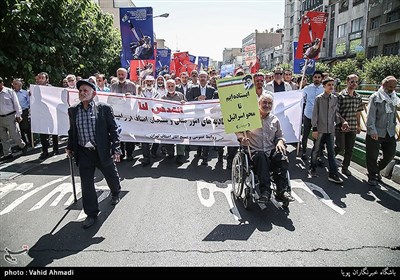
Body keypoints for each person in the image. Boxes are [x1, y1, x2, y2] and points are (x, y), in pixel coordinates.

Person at [66, 80, 122, 229]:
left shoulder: (103, 109)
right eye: (80, 91)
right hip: (84, 152)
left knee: (110, 174)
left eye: (86, 90)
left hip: (101, 150)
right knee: (86, 183)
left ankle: (116, 192)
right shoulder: (73, 110)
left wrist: (116, 148)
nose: (82, 93)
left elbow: (114, 130)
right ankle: (91, 214)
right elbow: (72, 131)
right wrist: (70, 147)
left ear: (94, 94)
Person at [235, 93, 295, 203]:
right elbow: (238, 131)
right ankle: (265, 191)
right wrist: (241, 138)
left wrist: (280, 142)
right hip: (254, 152)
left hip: (270, 150)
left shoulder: (275, 120)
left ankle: (282, 191)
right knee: (261, 156)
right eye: (264, 102)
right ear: (258, 104)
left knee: (282, 157)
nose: (267, 105)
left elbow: (279, 136)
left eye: (269, 103)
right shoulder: (249, 117)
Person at [309, 77, 348, 184]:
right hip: (320, 129)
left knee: (331, 152)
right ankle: (312, 167)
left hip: (330, 129)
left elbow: (335, 113)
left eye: (332, 85)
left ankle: (333, 174)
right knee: (316, 149)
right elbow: (315, 114)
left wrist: (342, 122)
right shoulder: (319, 99)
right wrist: (315, 128)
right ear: (324, 86)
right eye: (329, 85)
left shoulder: (334, 98)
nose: (331, 87)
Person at [366, 76, 399, 186]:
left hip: (389, 132)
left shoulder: (393, 97)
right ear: (383, 85)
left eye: (394, 87)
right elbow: (370, 116)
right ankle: (372, 176)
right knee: (372, 155)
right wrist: (372, 131)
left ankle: (375, 170)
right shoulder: (375, 97)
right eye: (390, 86)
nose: (392, 89)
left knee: (390, 153)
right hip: (376, 131)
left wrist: (396, 131)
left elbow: (394, 115)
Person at [335, 74, 363, 176]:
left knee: (350, 149)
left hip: (352, 126)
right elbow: (336, 111)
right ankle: (331, 159)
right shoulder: (340, 96)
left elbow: (358, 112)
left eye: (356, 82)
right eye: (352, 82)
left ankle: (345, 167)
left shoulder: (358, 97)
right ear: (347, 82)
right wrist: (343, 121)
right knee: (340, 146)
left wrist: (359, 125)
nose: (354, 84)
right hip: (340, 127)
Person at [0, 77, 27, 160]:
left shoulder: (9, 91)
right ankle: (7, 154)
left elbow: (16, 104)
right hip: (0, 118)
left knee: (15, 135)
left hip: (10, 116)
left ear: (2, 83)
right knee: (3, 137)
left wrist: (18, 115)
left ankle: (22, 145)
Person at [300, 70, 323, 161]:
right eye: (315, 77)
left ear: (321, 78)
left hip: (319, 117)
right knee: (305, 134)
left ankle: (316, 154)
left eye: (318, 77)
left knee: (317, 136)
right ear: (312, 78)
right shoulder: (307, 88)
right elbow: (301, 99)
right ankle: (304, 152)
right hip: (308, 115)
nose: (317, 79)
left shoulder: (323, 88)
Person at [35, 72, 59, 160]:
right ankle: (45, 150)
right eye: (39, 78)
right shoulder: (35, 89)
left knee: (53, 131)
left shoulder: (51, 88)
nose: (40, 80)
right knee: (42, 132)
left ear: (47, 79)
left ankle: (55, 149)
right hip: (41, 114)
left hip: (51, 113)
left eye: (42, 78)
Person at [12, 78, 32, 150]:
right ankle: (24, 144)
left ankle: (31, 141)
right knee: (20, 129)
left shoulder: (25, 93)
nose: (14, 85)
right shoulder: (12, 93)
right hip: (15, 112)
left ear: (20, 85)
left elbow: (29, 102)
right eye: (13, 84)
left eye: (15, 84)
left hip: (24, 111)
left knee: (26, 127)